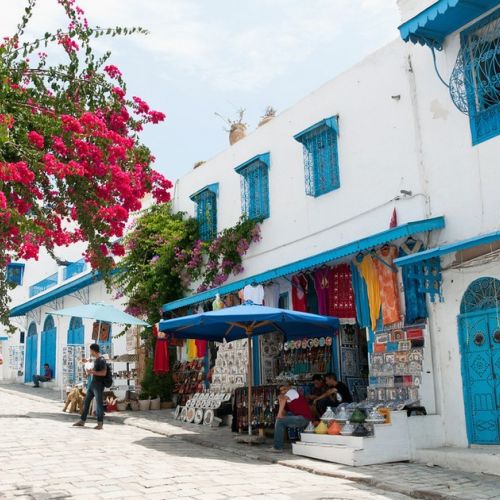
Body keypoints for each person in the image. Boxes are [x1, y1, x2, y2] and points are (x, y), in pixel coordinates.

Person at [73, 343, 107, 430]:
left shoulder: (102, 360)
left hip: (99, 385)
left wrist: (92, 372)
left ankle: (100, 424)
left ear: (93, 350)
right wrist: (86, 363)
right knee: (86, 402)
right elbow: (91, 364)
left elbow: (104, 373)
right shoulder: (96, 360)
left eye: (90, 350)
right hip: (93, 384)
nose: (90, 352)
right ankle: (82, 421)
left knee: (99, 404)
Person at [271, 384, 313, 453]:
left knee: (279, 421)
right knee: (280, 420)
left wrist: (279, 416)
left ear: (289, 388)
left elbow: (283, 400)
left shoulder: (292, 391)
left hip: (304, 419)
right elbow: (283, 412)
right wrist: (280, 414)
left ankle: (277, 447)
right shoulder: (288, 400)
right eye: (281, 390)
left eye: (285, 389)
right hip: (303, 419)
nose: (283, 391)